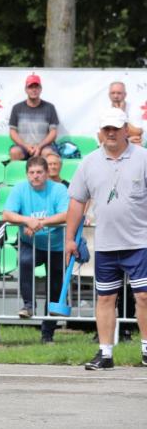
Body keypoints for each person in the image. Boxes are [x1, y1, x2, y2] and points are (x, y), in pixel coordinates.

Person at [65, 107, 147, 370]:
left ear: (126, 129)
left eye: (116, 128)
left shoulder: (143, 158)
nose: (111, 133)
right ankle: (105, 353)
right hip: (107, 244)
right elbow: (77, 201)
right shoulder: (88, 162)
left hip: (140, 242)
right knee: (105, 299)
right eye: (106, 129)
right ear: (100, 133)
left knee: (144, 297)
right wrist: (69, 238)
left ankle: (146, 350)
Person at [2, 156, 68, 343]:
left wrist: (40, 222)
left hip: (56, 245)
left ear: (47, 173)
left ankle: (48, 334)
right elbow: (7, 213)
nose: (35, 176)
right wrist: (26, 220)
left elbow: (66, 214)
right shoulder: (20, 188)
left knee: (54, 288)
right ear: (26, 174)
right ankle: (29, 305)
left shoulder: (59, 189)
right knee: (24, 261)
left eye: (39, 172)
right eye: (32, 173)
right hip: (30, 243)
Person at [8, 74, 59, 161]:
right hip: (23, 146)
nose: (34, 90)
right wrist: (26, 146)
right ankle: (18, 175)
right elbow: (12, 132)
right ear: (26, 90)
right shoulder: (17, 108)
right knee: (14, 152)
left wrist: (39, 147)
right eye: (31, 87)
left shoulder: (50, 107)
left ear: (40, 89)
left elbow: (53, 132)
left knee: (48, 153)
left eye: (36, 87)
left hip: (44, 146)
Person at [107, 81, 143, 145]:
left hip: (130, 144)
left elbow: (137, 133)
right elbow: (102, 137)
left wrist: (122, 114)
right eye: (113, 93)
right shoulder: (104, 109)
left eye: (119, 93)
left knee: (138, 143)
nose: (115, 96)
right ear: (109, 95)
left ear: (125, 95)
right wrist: (120, 113)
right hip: (112, 144)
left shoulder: (134, 108)